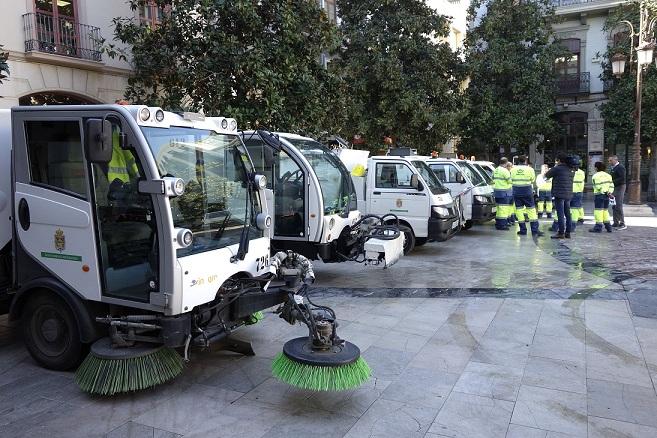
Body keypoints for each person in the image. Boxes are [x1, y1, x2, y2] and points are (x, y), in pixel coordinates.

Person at [510, 155, 543, 236]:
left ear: (518, 161)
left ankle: (523, 230)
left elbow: (510, 179)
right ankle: (534, 231)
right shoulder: (530, 169)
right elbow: (532, 180)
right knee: (531, 210)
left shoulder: (513, 169)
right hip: (527, 191)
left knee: (519, 210)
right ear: (525, 161)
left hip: (516, 191)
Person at [545, 153, 575, 239]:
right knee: (568, 213)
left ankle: (561, 233)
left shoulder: (557, 169)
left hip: (559, 194)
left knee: (560, 214)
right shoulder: (571, 169)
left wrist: (555, 166)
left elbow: (546, 175)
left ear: (558, 160)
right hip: (568, 194)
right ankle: (568, 232)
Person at [590, 161, 614, 233]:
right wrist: (609, 192)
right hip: (607, 195)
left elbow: (598, 186)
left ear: (596, 168)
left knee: (598, 211)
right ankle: (608, 227)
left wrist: (604, 192)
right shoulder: (608, 175)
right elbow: (611, 185)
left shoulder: (595, 176)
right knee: (605, 211)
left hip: (599, 195)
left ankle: (598, 227)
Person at [493, 157, 513, 230]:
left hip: (497, 192)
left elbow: (492, 179)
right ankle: (502, 225)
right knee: (503, 209)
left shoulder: (496, 170)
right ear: (506, 163)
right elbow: (510, 181)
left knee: (498, 209)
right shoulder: (505, 171)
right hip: (504, 192)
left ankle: (498, 224)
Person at [608, 155, 627, 230]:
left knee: (618, 205)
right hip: (614, 187)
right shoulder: (613, 168)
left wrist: (612, 182)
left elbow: (622, 178)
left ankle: (622, 223)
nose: (609, 162)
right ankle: (615, 222)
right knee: (614, 204)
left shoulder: (620, 167)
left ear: (615, 160)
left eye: (610, 161)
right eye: (609, 161)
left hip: (620, 187)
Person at [570, 165, 586, 229]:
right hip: (579, 191)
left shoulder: (570, 172)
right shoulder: (582, 172)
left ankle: (574, 221)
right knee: (579, 206)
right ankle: (580, 218)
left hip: (572, 191)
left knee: (573, 208)